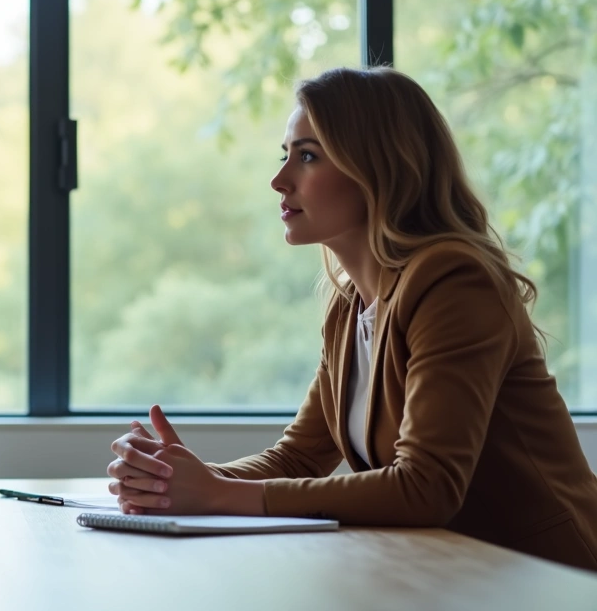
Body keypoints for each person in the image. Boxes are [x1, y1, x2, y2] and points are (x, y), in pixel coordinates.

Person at [106, 66, 597, 571]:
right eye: (285, 155)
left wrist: (215, 494)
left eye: (307, 156)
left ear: (378, 168)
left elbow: (426, 487)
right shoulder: (349, 308)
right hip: (458, 573)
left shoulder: (454, 280)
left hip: (553, 577)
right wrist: (176, 479)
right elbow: (297, 458)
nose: (279, 180)